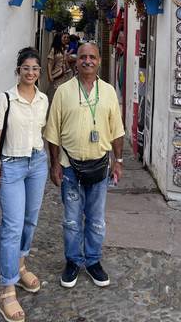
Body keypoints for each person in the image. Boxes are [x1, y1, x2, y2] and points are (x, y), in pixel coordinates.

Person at [43, 42, 125, 289]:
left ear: (99, 61)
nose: (87, 61)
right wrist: (54, 164)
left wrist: (118, 161)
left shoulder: (109, 91)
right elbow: (52, 131)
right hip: (70, 167)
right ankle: (72, 261)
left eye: (92, 57)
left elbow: (117, 130)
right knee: (71, 219)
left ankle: (93, 261)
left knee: (96, 220)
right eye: (82, 57)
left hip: (99, 167)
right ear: (75, 61)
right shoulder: (63, 91)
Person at [0, 47, 49, 322]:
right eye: (26, 68)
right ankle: (7, 290)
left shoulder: (43, 99)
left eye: (35, 68)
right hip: (11, 166)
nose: (31, 73)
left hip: (37, 163)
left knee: (30, 221)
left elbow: (42, 133)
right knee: (11, 226)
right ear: (18, 70)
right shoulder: (5, 99)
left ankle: (21, 266)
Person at [46, 33, 72, 103]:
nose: (66, 39)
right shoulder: (54, 49)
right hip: (57, 75)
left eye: (67, 38)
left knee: (63, 95)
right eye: (64, 37)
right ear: (59, 39)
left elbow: (67, 61)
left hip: (66, 75)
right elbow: (49, 63)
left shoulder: (65, 48)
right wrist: (50, 76)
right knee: (55, 94)